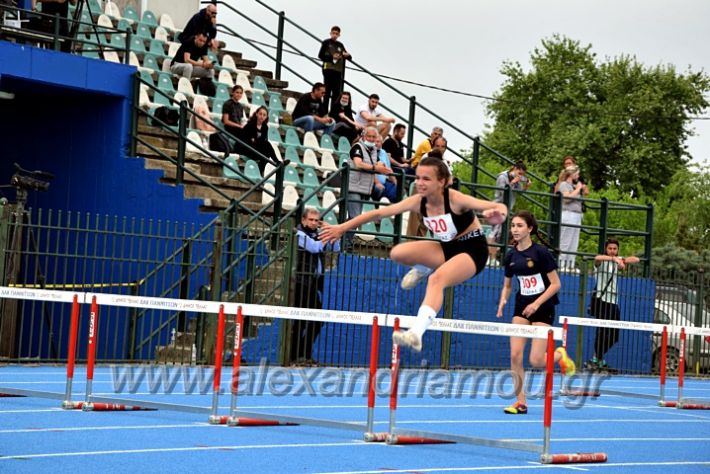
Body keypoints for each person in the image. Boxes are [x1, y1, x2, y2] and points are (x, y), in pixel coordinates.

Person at [321, 157, 508, 352]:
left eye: (426, 179)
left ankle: (416, 333)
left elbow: (499, 208)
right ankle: (422, 268)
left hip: (472, 249)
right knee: (398, 252)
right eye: (417, 177)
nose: (419, 183)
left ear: (442, 182)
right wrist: (342, 227)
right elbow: (377, 215)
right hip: (447, 248)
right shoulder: (418, 201)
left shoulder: (454, 199)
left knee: (437, 280)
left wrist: (498, 215)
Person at [496, 211, 576, 415]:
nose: (514, 229)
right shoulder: (511, 255)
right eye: (513, 225)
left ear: (530, 229)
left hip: (543, 308)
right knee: (515, 355)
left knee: (536, 360)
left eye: (519, 225)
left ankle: (560, 355)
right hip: (521, 307)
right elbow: (507, 285)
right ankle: (520, 402)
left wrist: (537, 303)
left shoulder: (541, 253)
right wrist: (503, 300)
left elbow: (556, 284)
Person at [290, 208, 340, 365]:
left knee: (317, 319)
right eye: (311, 220)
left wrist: (331, 233)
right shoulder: (298, 234)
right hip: (299, 282)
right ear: (304, 220)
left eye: (316, 221)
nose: (313, 223)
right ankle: (295, 355)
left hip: (312, 284)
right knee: (300, 320)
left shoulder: (317, 235)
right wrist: (328, 234)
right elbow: (314, 247)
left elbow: (335, 248)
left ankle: (304, 352)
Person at [585, 239, 640, 371]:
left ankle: (597, 358)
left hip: (613, 301)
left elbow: (636, 259)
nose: (612, 251)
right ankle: (596, 359)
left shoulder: (617, 259)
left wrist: (622, 259)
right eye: (610, 248)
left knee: (614, 335)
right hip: (602, 300)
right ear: (606, 249)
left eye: (615, 249)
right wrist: (613, 260)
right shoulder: (601, 262)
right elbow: (597, 258)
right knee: (602, 331)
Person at [488, 161, 531, 265]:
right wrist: (512, 183)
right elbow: (502, 192)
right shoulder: (502, 177)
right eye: (519, 173)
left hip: (506, 209)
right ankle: (491, 259)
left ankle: (492, 258)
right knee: (494, 234)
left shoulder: (515, 179)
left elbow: (518, 192)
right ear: (514, 168)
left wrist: (525, 186)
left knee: (499, 235)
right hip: (498, 208)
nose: (520, 176)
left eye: (522, 174)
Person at [558, 165, 587, 271]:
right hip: (568, 214)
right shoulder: (564, 185)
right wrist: (578, 189)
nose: (578, 176)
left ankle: (570, 264)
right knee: (565, 240)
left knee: (574, 241)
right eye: (577, 174)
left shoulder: (574, 186)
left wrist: (580, 189)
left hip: (577, 214)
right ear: (572, 174)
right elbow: (566, 198)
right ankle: (561, 264)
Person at [234, 106, 278, 175]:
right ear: (256, 114)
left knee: (267, 147)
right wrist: (257, 141)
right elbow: (249, 141)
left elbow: (261, 142)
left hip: (254, 148)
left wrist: (257, 141)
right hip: (244, 148)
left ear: (266, 117)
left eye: (264, 115)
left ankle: (276, 162)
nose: (262, 116)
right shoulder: (250, 125)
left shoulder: (265, 127)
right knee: (265, 150)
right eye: (260, 114)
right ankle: (263, 169)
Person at [318, 26, 352, 111]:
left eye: (337, 34)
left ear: (339, 35)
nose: (335, 35)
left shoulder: (340, 45)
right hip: (328, 69)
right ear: (330, 33)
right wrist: (332, 57)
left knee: (336, 93)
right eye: (333, 33)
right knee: (327, 91)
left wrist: (347, 55)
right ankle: (324, 111)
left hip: (338, 71)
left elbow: (348, 56)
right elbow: (320, 55)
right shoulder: (326, 42)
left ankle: (333, 112)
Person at [371, 135, 397, 202]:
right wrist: (377, 183)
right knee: (379, 189)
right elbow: (370, 170)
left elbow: (389, 169)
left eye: (378, 142)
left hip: (385, 182)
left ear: (382, 143)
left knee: (398, 190)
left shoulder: (384, 153)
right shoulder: (369, 152)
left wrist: (396, 183)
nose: (376, 143)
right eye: (374, 142)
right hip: (372, 183)